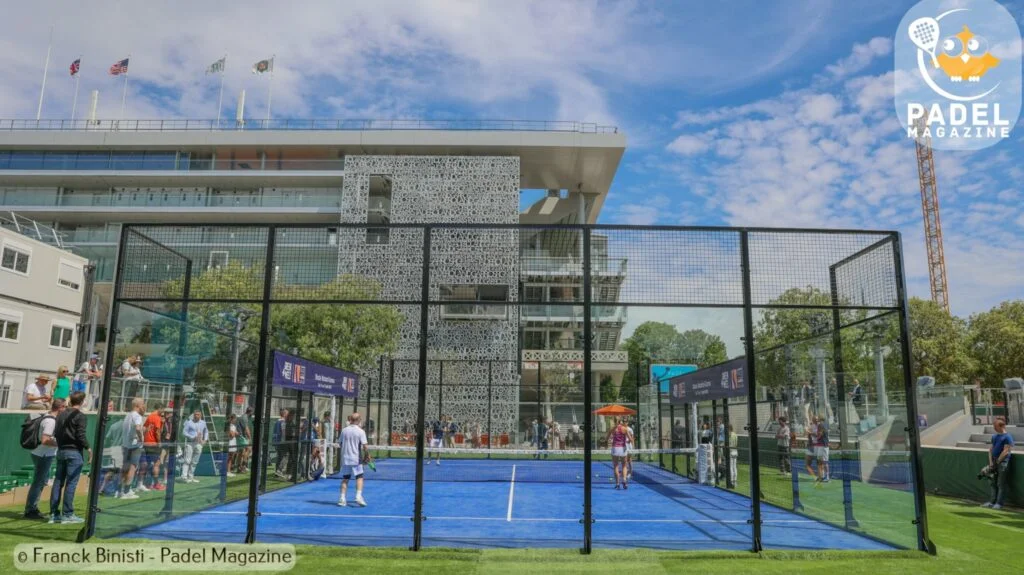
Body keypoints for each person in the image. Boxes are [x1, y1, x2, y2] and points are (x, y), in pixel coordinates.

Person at [50, 391, 90, 524]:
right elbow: (80, 435)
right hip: (73, 452)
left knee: (58, 482)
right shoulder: (80, 416)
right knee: (70, 483)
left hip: (61, 451)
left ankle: (54, 514)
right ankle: (67, 514)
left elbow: (56, 433)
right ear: (82, 401)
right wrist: (88, 448)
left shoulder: (60, 415)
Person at [24, 398, 65, 519]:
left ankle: (31, 508)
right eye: (65, 407)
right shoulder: (50, 421)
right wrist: (60, 444)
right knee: (38, 482)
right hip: (43, 455)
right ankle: (31, 510)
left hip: (41, 453)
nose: (66, 409)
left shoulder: (47, 417)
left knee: (41, 481)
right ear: (60, 407)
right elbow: (45, 440)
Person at [337, 412, 370, 507]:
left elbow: (340, 444)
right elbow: (365, 446)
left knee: (345, 478)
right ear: (359, 420)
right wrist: (367, 456)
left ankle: (342, 499)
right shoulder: (361, 432)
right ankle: (358, 496)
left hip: (345, 459)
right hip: (356, 459)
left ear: (350, 419)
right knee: (359, 477)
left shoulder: (344, 430)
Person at [983, 417, 1014, 510]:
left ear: (1001, 426)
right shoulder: (994, 437)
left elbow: (1006, 451)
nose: (994, 427)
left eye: (995, 426)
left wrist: (997, 461)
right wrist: (991, 463)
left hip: (1003, 463)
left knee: (1001, 483)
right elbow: (991, 449)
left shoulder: (1008, 437)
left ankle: (999, 503)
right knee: (993, 482)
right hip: (994, 462)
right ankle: (992, 502)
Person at [120, 398, 146, 499]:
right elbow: (138, 428)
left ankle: (122, 490)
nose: (144, 406)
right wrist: (141, 438)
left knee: (125, 467)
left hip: (126, 445)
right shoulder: (137, 416)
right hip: (135, 446)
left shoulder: (128, 415)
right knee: (132, 467)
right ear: (138, 405)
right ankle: (126, 491)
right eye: (143, 404)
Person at [141, 403, 166, 491]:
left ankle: (145, 483)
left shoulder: (150, 416)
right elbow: (158, 432)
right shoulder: (157, 417)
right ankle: (156, 484)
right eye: (163, 410)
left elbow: (144, 428)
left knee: (147, 463)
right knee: (157, 463)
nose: (163, 412)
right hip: (153, 443)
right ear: (160, 408)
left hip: (147, 443)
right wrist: (159, 442)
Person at [181, 409, 208, 483]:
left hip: (199, 443)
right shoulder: (189, 423)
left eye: (198, 414)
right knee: (187, 460)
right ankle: (184, 477)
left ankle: (191, 477)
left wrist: (205, 440)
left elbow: (206, 432)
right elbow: (184, 432)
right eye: (195, 414)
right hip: (190, 443)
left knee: (195, 461)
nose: (197, 416)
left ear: (201, 415)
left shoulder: (203, 423)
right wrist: (192, 437)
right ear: (193, 415)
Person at [606, 417, 633, 490]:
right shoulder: (625, 429)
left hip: (615, 448)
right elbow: (630, 439)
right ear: (621, 421)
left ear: (614, 421)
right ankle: (624, 480)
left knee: (616, 466)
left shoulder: (613, 429)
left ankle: (617, 483)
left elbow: (607, 438)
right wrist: (628, 441)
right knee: (624, 465)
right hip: (623, 449)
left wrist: (611, 438)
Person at [225, 413, 239, 478]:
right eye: (234, 419)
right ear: (231, 419)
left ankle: (229, 471)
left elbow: (235, 433)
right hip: (230, 443)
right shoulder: (229, 426)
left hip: (233, 442)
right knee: (229, 458)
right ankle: (227, 471)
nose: (235, 420)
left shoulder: (233, 426)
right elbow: (232, 435)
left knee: (231, 458)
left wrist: (235, 433)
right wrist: (234, 433)